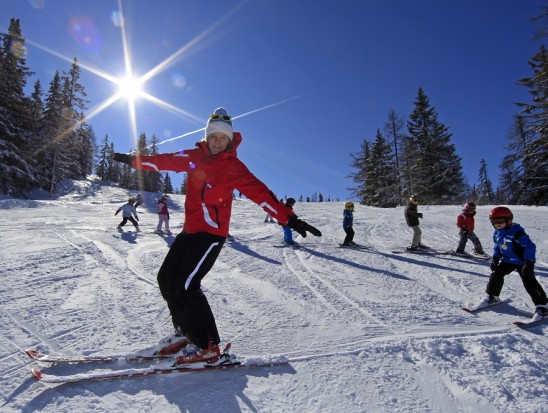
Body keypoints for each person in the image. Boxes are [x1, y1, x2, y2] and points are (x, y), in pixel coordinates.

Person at [113, 107, 322, 363]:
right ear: (207, 136)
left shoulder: (233, 166)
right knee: (167, 279)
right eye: (214, 136)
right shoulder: (194, 157)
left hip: (211, 233)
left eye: (223, 138)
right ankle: (186, 334)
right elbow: (164, 160)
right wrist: (134, 160)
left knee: (187, 285)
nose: (218, 141)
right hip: (189, 231)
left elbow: (260, 193)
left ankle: (208, 346)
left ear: (230, 140)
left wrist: (289, 218)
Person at [478, 206, 547, 322]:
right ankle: (492, 297)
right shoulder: (497, 233)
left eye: (500, 221)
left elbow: (530, 246)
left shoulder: (517, 233)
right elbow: (497, 246)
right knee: (496, 275)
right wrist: (495, 258)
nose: (497, 224)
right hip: (507, 260)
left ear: (508, 219)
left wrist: (529, 263)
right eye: (494, 222)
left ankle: (543, 306)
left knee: (529, 281)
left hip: (522, 261)